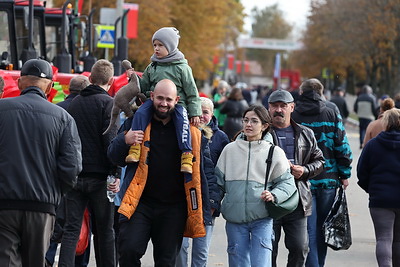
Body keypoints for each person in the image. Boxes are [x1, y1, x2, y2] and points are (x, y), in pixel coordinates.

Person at [108, 79, 207, 267]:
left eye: (168, 99)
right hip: (140, 203)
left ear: (176, 100)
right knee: (128, 250)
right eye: (160, 98)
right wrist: (124, 140)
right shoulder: (136, 122)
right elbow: (113, 156)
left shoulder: (190, 132)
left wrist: (208, 206)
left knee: (166, 261)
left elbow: (200, 171)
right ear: (152, 96)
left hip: (173, 208)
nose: (164, 103)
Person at [0, 58, 82, 266]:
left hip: (5, 205)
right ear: (50, 87)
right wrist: (55, 193)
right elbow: (72, 167)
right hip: (42, 206)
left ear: (19, 83)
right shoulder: (63, 118)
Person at [215, 105, 297, 267]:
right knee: (238, 264)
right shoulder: (229, 150)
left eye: (254, 121)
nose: (248, 125)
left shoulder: (274, 152)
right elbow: (218, 184)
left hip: (262, 219)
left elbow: (287, 183)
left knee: (261, 264)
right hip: (235, 219)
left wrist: (274, 195)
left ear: (265, 126)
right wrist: (212, 204)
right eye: (246, 120)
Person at [59, 59, 119, 267]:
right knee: (105, 231)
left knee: (71, 229)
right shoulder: (108, 104)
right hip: (101, 179)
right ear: (111, 80)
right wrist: (115, 174)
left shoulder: (73, 103)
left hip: (75, 177)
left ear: (90, 78)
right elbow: (111, 142)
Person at [291, 78, 353, 267]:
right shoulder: (331, 109)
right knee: (321, 229)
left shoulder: (294, 111)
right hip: (328, 178)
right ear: (321, 91)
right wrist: (344, 173)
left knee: (307, 229)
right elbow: (341, 144)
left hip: (302, 179)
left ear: (302, 92)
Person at [126, 27, 201, 175]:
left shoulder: (182, 68)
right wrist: (133, 78)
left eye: (161, 45)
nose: (156, 49)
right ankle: (135, 146)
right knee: (140, 113)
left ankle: (186, 153)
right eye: (155, 45)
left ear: (171, 46)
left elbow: (192, 92)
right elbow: (144, 85)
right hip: (154, 101)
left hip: (177, 105)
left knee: (182, 123)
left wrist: (195, 112)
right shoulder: (152, 66)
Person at [267, 90, 325, 267]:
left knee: (300, 248)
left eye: (283, 106)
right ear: (268, 108)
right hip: (269, 201)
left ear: (292, 107)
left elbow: (320, 161)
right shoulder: (262, 134)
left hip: (298, 201)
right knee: (269, 249)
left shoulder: (305, 133)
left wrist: (305, 170)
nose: (279, 110)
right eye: (275, 106)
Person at [175, 97, 228, 267]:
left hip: (207, 201)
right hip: (183, 199)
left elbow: (220, 175)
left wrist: (215, 201)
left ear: (212, 115)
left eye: (205, 112)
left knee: (201, 250)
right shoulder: (184, 133)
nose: (201, 116)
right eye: (198, 111)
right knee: (180, 248)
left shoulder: (220, 138)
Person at [45, 74, 91, 267]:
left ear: (69, 90)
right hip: (81, 175)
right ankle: (80, 261)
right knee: (79, 224)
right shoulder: (91, 109)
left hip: (55, 176)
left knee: (56, 223)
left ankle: (48, 257)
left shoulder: (56, 110)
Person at [357, 108, 400, 267]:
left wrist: (372, 189)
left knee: (383, 238)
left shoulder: (373, 145)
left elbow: (362, 171)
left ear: (385, 123)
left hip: (380, 200)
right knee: (398, 240)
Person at [353, 85, 378, 149]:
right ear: (369, 91)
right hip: (369, 117)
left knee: (361, 130)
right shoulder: (372, 98)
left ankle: (361, 143)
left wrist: (358, 112)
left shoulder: (359, 98)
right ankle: (366, 143)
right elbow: (374, 108)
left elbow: (355, 108)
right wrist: (375, 116)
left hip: (361, 116)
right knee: (368, 130)